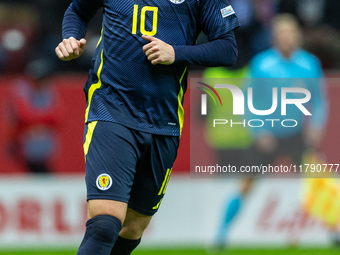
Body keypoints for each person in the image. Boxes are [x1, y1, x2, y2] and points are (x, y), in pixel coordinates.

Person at [55, 0, 240, 254]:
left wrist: (177, 53)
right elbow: (77, 10)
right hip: (111, 109)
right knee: (105, 223)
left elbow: (228, 49)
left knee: (132, 229)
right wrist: (71, 38)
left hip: (164, 121)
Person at [215, 13, 327, 250]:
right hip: (267, 136)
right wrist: (259, 131)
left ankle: (334, 232)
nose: (286, 38)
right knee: (246, 184)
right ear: (274, 37)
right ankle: (220, 236)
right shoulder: (261, 65)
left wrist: (315, 127)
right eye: (281, 34)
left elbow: (319, 101)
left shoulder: (309, 64)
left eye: (290, 33)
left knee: (321, 180)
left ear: (298, 36)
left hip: (296, 134)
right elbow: (248, 101)